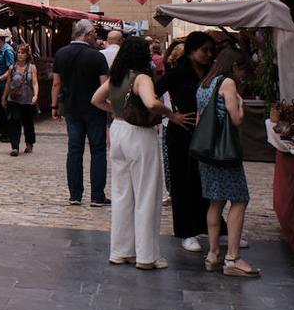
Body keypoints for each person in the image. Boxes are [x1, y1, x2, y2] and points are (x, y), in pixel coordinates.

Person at [91, 36, 172, 270]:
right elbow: (151, 103)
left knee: (121, 193)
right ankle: (147, 255)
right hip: (140, 134)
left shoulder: (116, 77)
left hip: (118, 131)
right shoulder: (142, 78)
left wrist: (117, 111)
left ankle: (120, 250)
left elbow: (96, 99)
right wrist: (169, 113)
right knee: (147, 194)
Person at [197, 47, 260, 277]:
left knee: (215, 201)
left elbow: (199, 119)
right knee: (239, 200)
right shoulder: (228, 84)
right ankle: (233, 257)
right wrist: (241, 105)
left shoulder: (204, 83)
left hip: (207, 152)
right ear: (234, 66)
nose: (243, 75)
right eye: (242, 70)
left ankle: (213, 254)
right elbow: (236, 118)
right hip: (225, 153)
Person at [155, 31, 215, 252]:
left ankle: (210, 226)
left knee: (205, 180)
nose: (208, 55)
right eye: (204, 50)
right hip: (182, 132)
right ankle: (185, 231)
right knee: (183, 183)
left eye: (210, 51)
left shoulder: (210, 72)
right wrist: (170, 114)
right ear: (192, 51)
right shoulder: (178, 73)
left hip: (207, 133)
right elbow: (152, 93)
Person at [52, 19, 110, 206]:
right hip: (95, 109)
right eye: (94, 33)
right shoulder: (97, 57)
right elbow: (104, 85)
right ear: (86, 34)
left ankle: (75, 195)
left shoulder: (61, 54)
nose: (95, 37)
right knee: (98, 150)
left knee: (74, 150)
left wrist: (54, 106)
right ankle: (97, 195)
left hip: (72, 108)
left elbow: (56, 83)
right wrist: (109, 107)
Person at [0, 43, 38, 156]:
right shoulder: (12, 68)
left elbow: (35, 83)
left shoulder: (32, 68)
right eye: (19, 52)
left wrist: (36, 95)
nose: (20, 55)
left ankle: (29, 143)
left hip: (27, 98)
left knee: (28, 122)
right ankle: (15, 146)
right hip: (14, 99)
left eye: (23, 53)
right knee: (14, 120)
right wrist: (4, 97)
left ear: (27, 55)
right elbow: (8, 84)